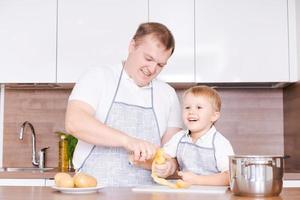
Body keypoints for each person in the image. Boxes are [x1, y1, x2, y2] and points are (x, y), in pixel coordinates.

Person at [65, 22, 183, 186]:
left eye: (160, 65)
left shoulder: (168, 94)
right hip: (93, 190)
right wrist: (128, 141)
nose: (152, 69)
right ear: (132, 46)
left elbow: (173, 153)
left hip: (148, 194)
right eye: (148, 59)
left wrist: (168, 166)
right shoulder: (98, 77)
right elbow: (74, 122)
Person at [153, 85, 234, 186]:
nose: (191, 112)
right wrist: (166, 166)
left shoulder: (220, 143)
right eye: (187, 107)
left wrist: (197, 180)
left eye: (199, 107)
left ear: (214, 116)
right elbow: (166, 156)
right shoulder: (179, 138)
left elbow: (230, 176)